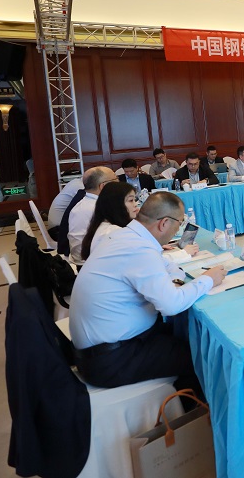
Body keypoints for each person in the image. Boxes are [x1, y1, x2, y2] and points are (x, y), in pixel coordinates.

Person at [68, 193, 227, 397]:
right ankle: (188, 406)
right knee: (200, 355)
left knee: (184, 334)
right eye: (179, 223)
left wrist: (173, 280)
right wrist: (208, 280)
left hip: (108, 346)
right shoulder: (139, 248)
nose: (178, 229)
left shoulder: (126, 236)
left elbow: (168, 267)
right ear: (164, 223)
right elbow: (171, 305)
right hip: (111, 360)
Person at [67, 167, 119, 264]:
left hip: (86, 258)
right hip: (91, 263)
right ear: (103, 186)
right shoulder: (98, 207)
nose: (119, 183)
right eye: (115, 179)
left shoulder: (85, 202)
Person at [79, 181, 140, 262]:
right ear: (116, 204)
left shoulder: (105, 225)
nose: (135, 204)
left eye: (135, 200)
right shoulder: (113, 232)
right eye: (131, 200)